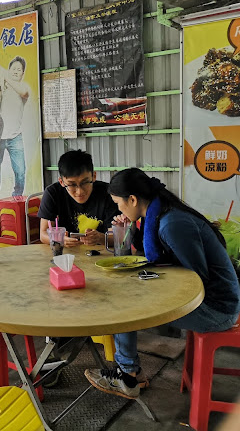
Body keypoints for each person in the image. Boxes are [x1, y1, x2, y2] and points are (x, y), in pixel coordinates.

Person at [85, 168, 240, 399]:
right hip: (209, 299)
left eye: (119, 203)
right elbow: (157, 256)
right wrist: (131, 230)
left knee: (122, 306)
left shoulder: (172, 224)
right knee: (126, 292)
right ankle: (130, 371)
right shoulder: (159, 214)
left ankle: (127, 376)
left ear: (133, 199)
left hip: (217, 308)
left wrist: (147, 289)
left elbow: (194, 279)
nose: (119, 209)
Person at [38, 149, 119, 247]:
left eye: (85, 182)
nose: (79, 191)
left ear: (93, 176)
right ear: (61, 182)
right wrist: (59, 239)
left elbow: (116, 238)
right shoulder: (53, 193)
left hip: (100, 255)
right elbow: (43, 234)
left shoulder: (109, 193)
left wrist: (100, 238)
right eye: (72, 185)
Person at [0, 56, 30, 196]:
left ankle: (18, 195)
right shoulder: (0, 87)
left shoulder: (23, 87)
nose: (16, 71)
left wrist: (4, 74)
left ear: (22, 73)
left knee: (20, 171)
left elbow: (24, 93)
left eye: (19, 69)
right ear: (9, 70)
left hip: (16, 137)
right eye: (13, 68)